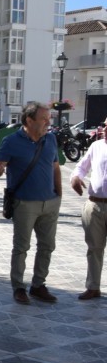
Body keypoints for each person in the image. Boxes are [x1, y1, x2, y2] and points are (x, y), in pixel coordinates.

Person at [0, 101, 61, 305]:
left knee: (47, 246)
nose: (48, 122)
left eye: (49, 118)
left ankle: (38, 285)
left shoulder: (50, 139)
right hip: (24, 203)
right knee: (21, 247)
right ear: (29, 121)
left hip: (50, 203)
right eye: (44, 119)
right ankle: (19, 287)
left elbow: (55, 168)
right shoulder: (10, 141)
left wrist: (59, 196)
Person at [69, 115, 107, 300]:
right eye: (105, 126)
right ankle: (93, 287)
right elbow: (81, 166)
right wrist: (76, 177)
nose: (105, 130)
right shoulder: (96, 146)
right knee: (94, 248)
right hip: (95, 204)